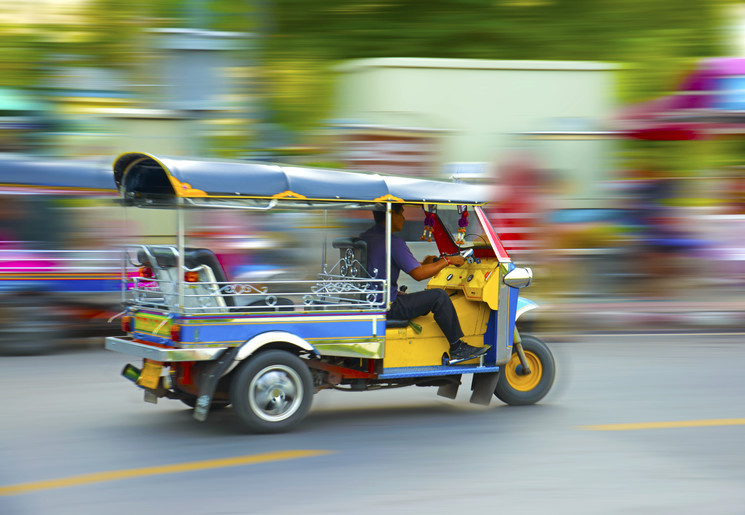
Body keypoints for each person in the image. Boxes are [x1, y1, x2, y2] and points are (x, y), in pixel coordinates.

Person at [359, 204, 488, 361]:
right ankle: (457, 347)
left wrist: (432, 262)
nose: (404, 219)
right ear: (391, 214)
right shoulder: (393, 242)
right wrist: (447, 261)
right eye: (402, 214)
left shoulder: (367, 236)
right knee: (439, 297)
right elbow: (419, 275)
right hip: (388, 306)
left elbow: (410, 265)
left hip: (370, 302)